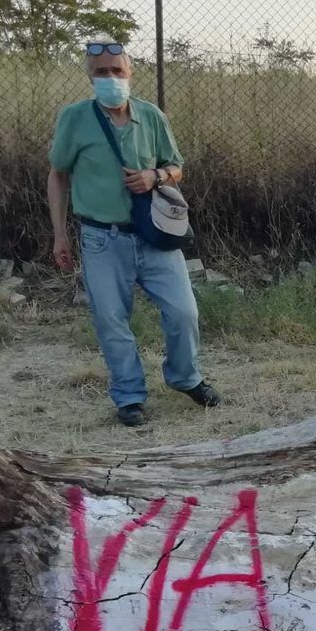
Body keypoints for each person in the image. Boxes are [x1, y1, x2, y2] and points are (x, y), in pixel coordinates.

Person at [47, 36, 220, 427]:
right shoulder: (75, 118)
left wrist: (154, 176)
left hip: (154, 235)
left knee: (183, 311)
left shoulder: (151, 116)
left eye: (117, 70)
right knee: (111, 320)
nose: (110, 78)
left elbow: (176, 167)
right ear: (89, 76)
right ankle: (129, 397)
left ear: (130, 72)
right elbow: (58, 174)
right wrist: (60, 234)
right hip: (101, 238)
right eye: (101, 72)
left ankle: (186, 378)